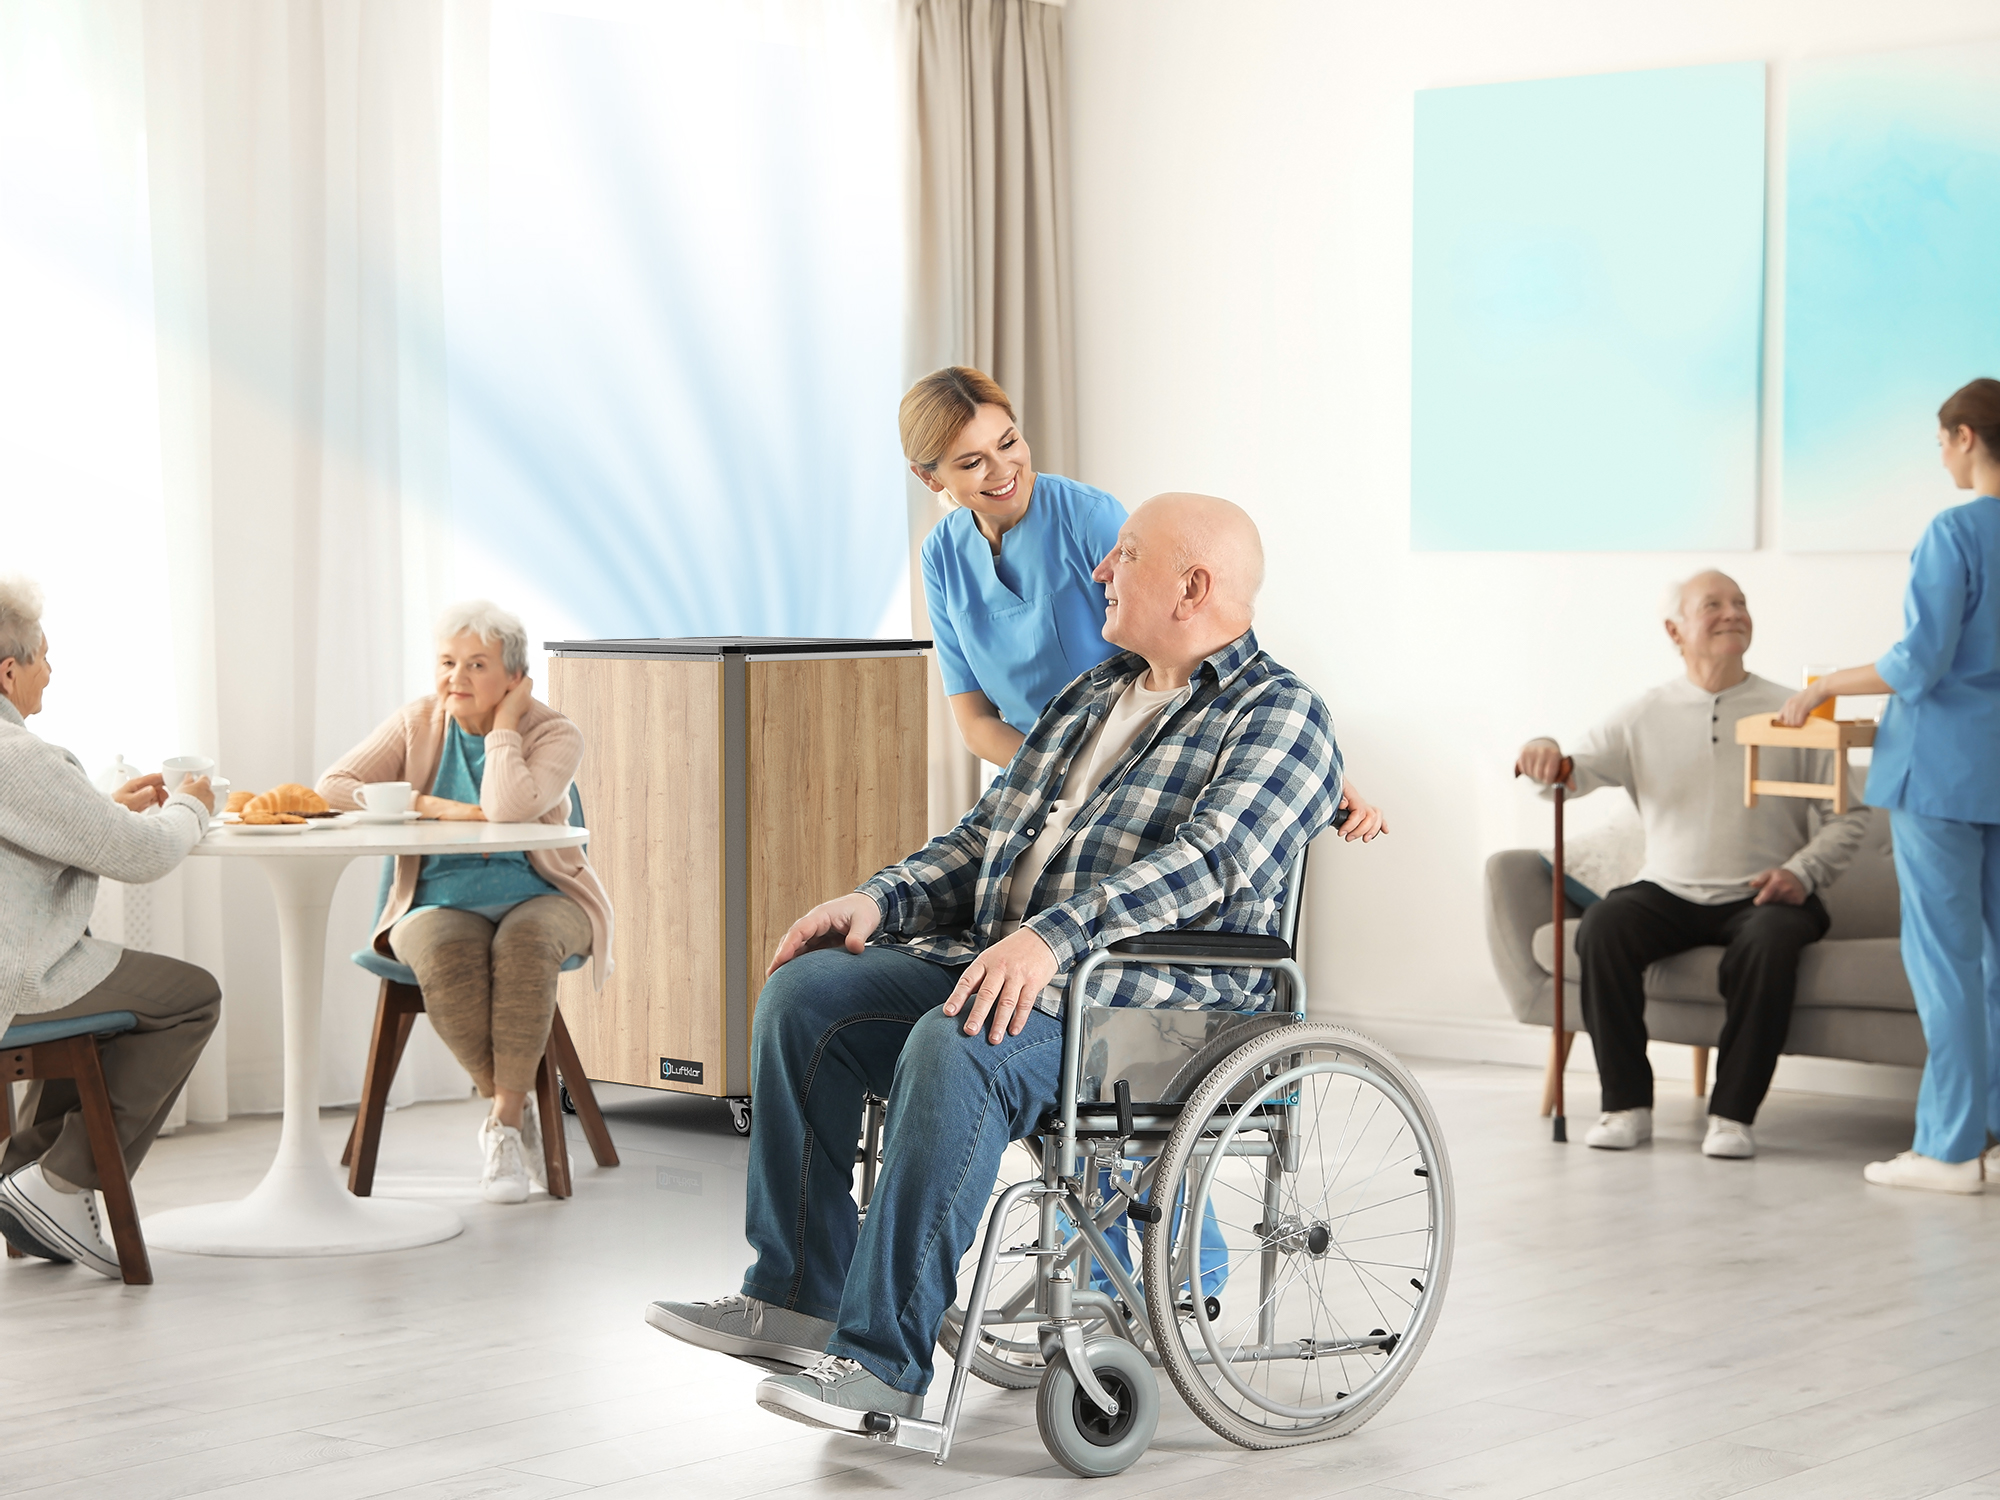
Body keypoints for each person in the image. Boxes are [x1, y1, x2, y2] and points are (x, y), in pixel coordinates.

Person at [647, 493, 1342, 1432]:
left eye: (1124, 555)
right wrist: (878, 899)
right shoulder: (1093, 693)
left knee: (960, 1040)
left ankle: (883, 1365)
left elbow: (1212, 863)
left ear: (1193, 586)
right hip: (1006, 966)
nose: (1100, 570)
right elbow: (985, 836)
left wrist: (1054, 936)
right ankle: (795, 1291)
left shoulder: (1283, 715)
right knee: (805, 993)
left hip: (1142, 1012)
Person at [903, 366, 1386, 839]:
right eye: (971, 462)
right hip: (1038, 782)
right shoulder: (940, 556)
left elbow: (1198, 633)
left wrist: (1316, 761)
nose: (1003, 469)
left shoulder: (1088, 517)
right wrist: (1060, 778)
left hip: (1145, 768)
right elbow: (976, 721)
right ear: (931, 478)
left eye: (1008, 443)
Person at [1517, 570, 1866, 1159]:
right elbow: (1568, 773)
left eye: (1741, 603)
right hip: (1669, 891)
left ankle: (1732, 1116)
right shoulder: (1641, 714)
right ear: (1675, 630)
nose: (1733, 613)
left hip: (1768, 894)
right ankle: (1625, 1106)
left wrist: (1800, 874)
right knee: (1603, 928)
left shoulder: (1795, 712)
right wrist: (1545, 750)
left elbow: (1849, 818)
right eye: (1714, 604)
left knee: (1770, 943)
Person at [1777, 378, 2000, 1195]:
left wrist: (1824, 683)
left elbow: (1918, 660)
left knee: (1946, 963)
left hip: (1942, 775)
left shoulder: (1954, 532)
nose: (1940, 455)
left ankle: (1947, 1151)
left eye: (1942, 440)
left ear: (1967, 436)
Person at [318, 601, 613, 1205]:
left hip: (544, 894)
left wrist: (505, 724)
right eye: (448, 662)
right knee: (449, 954)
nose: (455, 677)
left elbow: (507, 806)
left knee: (525, 944)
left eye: (477, 664)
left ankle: (502, 1123)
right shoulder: (417, 723)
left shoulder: (554, 732)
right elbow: (333, 787)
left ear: (514, 676)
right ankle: (513, 1108)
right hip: (435, 900)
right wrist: (433, 807)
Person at [0, 575, 221, 1277]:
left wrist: (98, 803)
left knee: (98, 1009)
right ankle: (59, 1182)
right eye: (41, 657)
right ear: (9, 670)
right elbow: (143, 855)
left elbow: (36, 832)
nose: (50, 671)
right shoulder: (23, 757)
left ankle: (26, 1182)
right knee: (189, 997)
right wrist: (191, 805)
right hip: (20, 977)